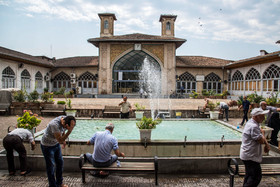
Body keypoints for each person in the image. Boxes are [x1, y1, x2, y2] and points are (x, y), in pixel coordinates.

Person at [41, 116, 76, 187]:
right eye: (67, 127)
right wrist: (69, 131)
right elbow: (60, 140)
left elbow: (62, 131)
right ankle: (52, 185)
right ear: (65, 124)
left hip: (55, 144)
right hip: (47, 146)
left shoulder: (65, 119)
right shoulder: (54, 124)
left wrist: (64, 139)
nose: (67, 129)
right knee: (51, 166)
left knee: (60, 163)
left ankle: (59, 183)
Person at [240, 108, 270, 187]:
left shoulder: (251, 122)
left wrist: (266, 144)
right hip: (251, 156)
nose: (264, 118)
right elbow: (260, 140)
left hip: (247, 155)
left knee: (249, 176)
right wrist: (263, 135)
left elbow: (261, 135)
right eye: (262, 116)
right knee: (255, 178)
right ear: (256, 117)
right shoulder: (253, 126)